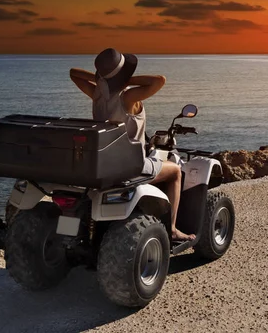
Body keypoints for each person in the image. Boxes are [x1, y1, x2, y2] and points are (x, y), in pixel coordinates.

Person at [70, 48, 195, 241]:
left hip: (103, 162)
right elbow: (159, 80)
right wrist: (123, 81)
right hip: (129, 166)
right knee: (176, 172)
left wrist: (103, 82)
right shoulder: (127, 97)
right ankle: (171, 228)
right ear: (122, 76)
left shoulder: (96, 93)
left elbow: (73, 73)